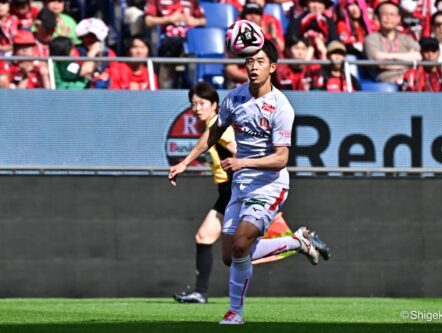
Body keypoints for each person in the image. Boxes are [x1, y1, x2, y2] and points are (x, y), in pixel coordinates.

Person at [169, 40, 328, 324]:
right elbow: (213, 132)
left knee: (242, 244)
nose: (253, 67)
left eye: (260, 62)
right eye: (249, 62)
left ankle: (235, 313)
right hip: (241, 186)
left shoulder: (281, 107)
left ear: (273, 67)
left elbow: (281, 158)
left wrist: (243, 162)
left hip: (269, 185)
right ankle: (297, 242)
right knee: (231, 256)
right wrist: (184, 161)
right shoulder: (234, 98)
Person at [144, 0, 206, 89]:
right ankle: (167, 86)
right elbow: (148, 20)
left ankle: (191, 84)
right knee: (172, 45)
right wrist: (169, 19)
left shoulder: (192, 2)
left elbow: (204, 20)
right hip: (167, 38)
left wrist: (194, 21)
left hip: (189, 37)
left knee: (194, 45)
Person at [364, 1, 421, 83]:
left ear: (398, 18)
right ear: (377, 17)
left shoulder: (406, 38)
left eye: (392, 15)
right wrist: (408, 62)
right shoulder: (371, 39)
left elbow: (418, 57)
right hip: (386, 82)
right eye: (384, 14)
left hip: (409, 79)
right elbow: (380, 63)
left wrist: (388, 57)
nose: (388, 18)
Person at [75, 17, 116, 89]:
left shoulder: (109, 53)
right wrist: (91, 53)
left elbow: (116, 75)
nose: (91, 39)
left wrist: (106, 75)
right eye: (87, 36)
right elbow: (83, 72)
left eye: (94, 36)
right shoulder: (75, 51)